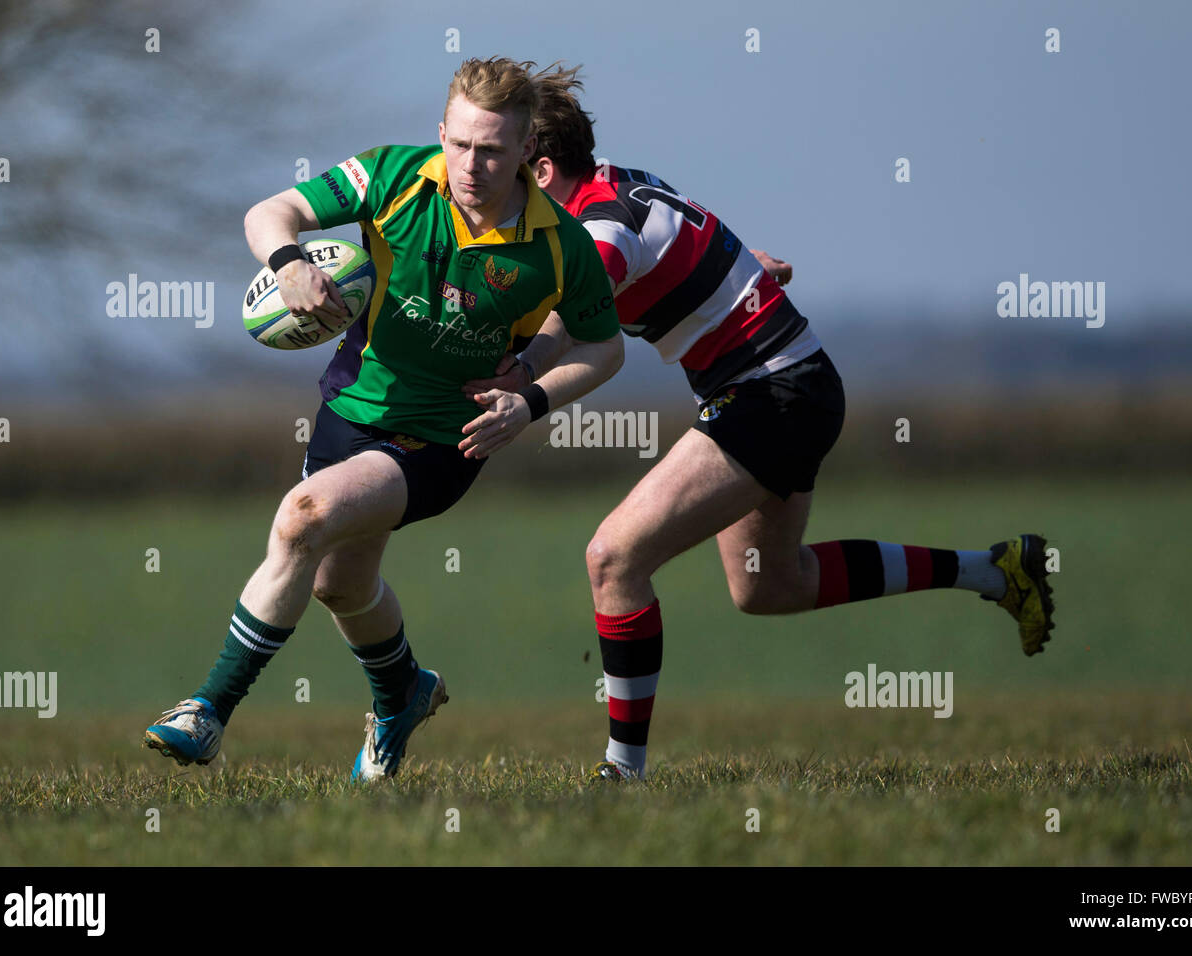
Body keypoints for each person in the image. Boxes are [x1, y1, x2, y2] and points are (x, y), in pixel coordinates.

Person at [465, 65, 1054, 780]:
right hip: (791, 385)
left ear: (544, 164)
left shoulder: (598, 226)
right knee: (768, 586)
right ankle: (994, 571)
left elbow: (580, 296)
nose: (494, 185)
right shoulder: (620, 181)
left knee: (613, 559)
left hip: (770, 394)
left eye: (508, 165)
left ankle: (622, 774)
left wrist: (526, 370)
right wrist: (748, 266)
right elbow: (687, 238)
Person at [143, 57, 623, 780]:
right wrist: (289, 263)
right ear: (441, 132)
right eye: (459, 144)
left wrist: (529, 399)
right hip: (349, 410)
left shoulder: (560, 244)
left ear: (526, 151)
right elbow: (269, 213)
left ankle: (208, 710)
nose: (471, 165)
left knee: (304, 516)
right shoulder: (394, 177)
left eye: (491, 150)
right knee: (339, 583)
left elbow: (604, 345)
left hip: (445, 439)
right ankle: (402, 693)